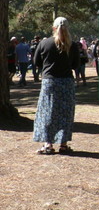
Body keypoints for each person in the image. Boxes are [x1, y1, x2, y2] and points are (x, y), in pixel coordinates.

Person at [32, 17, 80, 155]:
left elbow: (36, 62)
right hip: (67, 83)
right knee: (65, 113)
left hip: (50, 82)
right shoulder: (73, 45)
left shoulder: (44, 43)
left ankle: (48, 144)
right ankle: (64, 145)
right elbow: (75, 65)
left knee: (47, 113)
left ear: (53, 28)